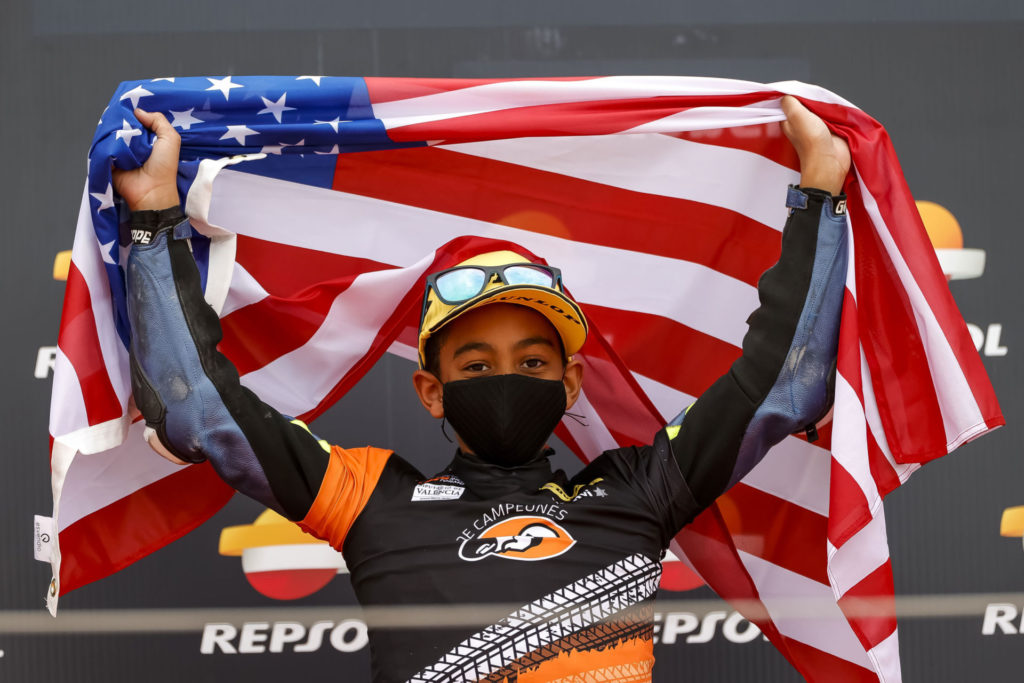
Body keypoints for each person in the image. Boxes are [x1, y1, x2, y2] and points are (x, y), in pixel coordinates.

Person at [115, 96, 851, 682]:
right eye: (475, 366)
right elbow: (196, 406)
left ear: (570, 384)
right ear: (431, 391)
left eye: (533, 364)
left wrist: (819, 192)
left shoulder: (639, 490)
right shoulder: (370, 496)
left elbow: (788, 382)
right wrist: (151, 221)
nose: (505, 378)